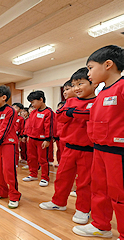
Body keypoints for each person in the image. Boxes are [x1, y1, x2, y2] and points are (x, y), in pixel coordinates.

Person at [73, 45, 124, 239]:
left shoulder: (122, 87)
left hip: (118, 152)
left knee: (120, 195)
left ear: (108, 65)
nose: (89, 73)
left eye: (91, 68)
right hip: (100, 149)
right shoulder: (101, 91)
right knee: (99, 189)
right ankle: (101, 225)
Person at [39, 67, 97, 225]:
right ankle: (58, 202)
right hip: (69, 147)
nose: (76, 88)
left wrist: (72, 113)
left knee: (85, 182)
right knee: (62, 177)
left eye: (80, 83)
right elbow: (61, 117)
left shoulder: (97, 102)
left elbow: (89, 116)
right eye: (74, 85)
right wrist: (72, 113)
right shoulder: (70, 101)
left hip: (88, 150)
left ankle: (83, 209)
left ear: (94, 84)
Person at [0, 86, 21, 208]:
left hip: (8, 143)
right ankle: (2, 191)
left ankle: (14, 195)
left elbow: (5, 127)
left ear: (4, 97)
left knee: (8, 169)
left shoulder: (10, 111)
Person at [22, 90, 55, 187]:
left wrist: (47, 139)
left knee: (43, 159)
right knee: (31, 157)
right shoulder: (33, 113)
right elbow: (29, 125)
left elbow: (49, 126)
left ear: (41, 100)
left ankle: (45, 177)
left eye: (33, 102)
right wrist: (27, 135)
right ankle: (33, 174)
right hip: (32, 138)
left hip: (42, 140)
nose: (32, 105)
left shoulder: (48, 112)